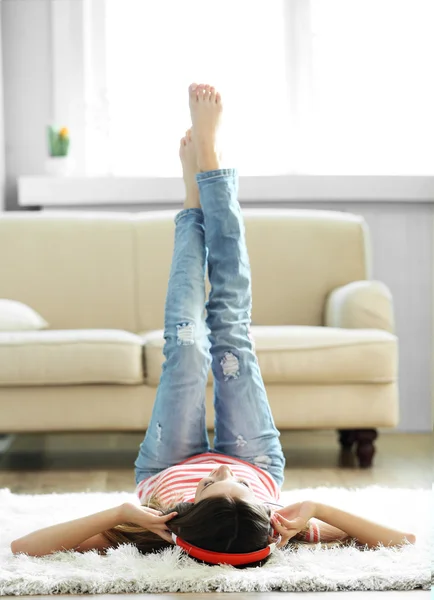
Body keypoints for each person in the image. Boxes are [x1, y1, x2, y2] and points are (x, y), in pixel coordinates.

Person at [10, 84, 416, 568]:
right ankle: (212, 170)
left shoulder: (161, 526)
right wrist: (318, 509)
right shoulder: (273, 522)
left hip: (165, 463)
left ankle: (191, 199)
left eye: (208, 484)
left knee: (186, 343)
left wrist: (123, 510)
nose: (220, 470)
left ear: (185, 511)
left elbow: (22, 549)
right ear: (262, 511)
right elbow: (405, 542)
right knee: (230, 329)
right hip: (258, 458)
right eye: (236, 485)